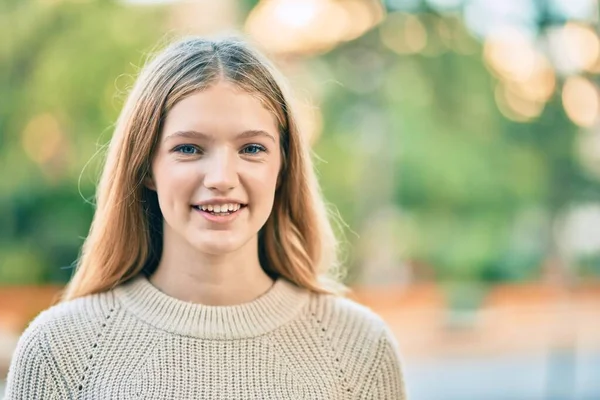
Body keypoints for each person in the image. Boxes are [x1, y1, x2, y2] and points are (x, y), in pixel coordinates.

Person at [5, 35, 407, 399]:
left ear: (283, 166)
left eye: (251, 149)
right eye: (189, 149)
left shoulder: (359, 348)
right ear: (146, 167)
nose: (220, 179)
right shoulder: (58, 351)